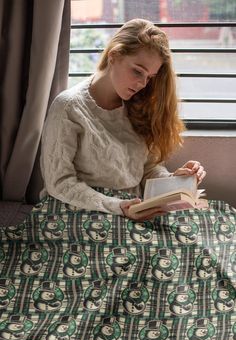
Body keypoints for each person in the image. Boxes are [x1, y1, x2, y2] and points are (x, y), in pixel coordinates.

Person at [40, 18, 206, 221]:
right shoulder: (68, 107)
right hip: (83, 211)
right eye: (137, 71)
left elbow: (147, 169)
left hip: (134, 211)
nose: (142, 84)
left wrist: (174, 181)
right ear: (113, 56)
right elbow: (59, 183)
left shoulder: (138, 105)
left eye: (149, 77)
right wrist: (118, 207)